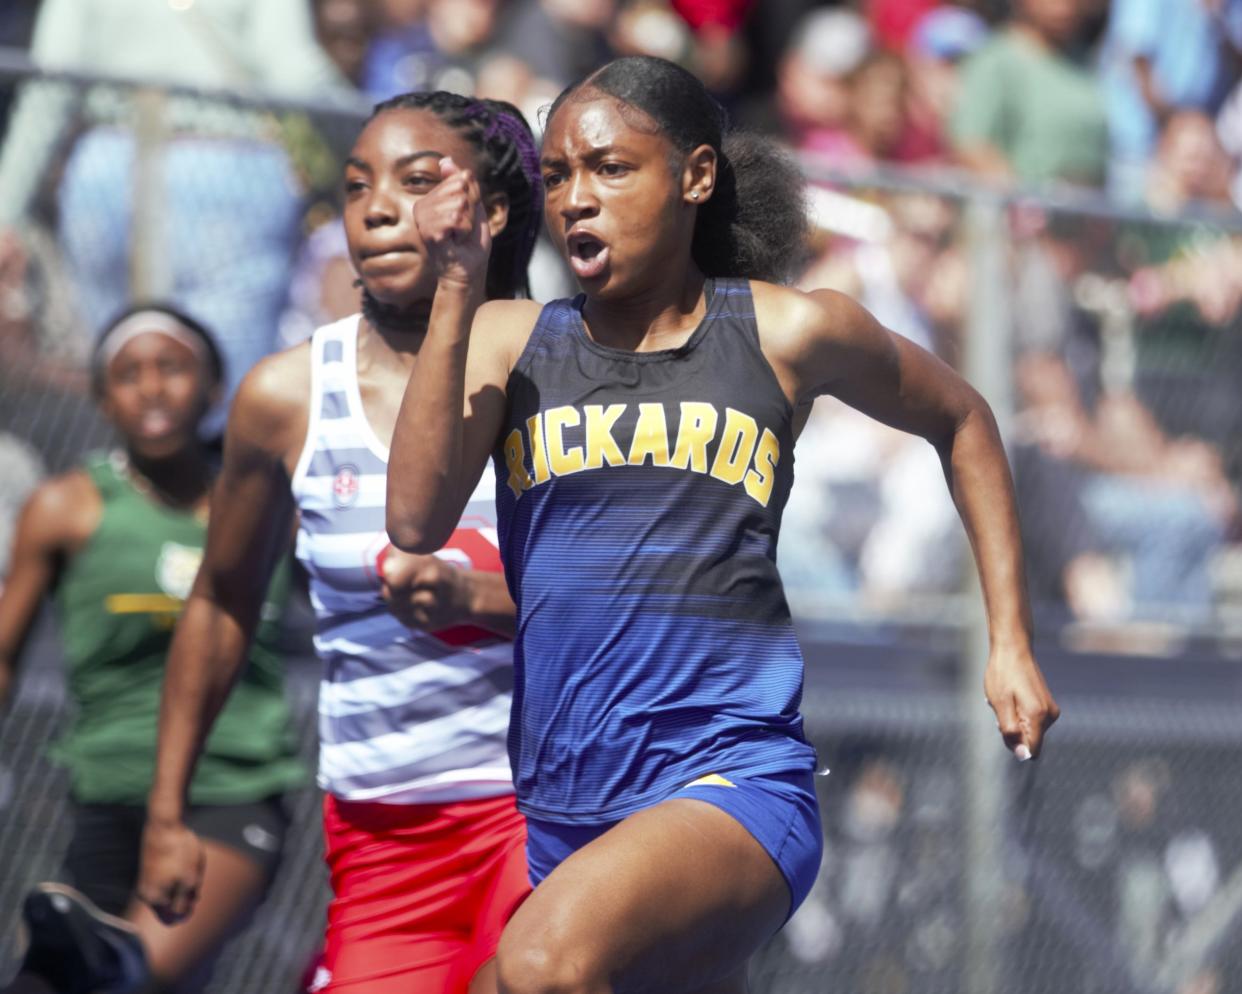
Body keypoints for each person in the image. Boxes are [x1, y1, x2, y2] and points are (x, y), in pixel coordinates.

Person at [385, 55, 1060, 994]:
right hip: (567, 799)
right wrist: (456, 293)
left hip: (731, 783)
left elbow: (965, 421)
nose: (577, 198)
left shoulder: (788, 331)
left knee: (533, 969)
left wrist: (1011, 643)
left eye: (611, 168)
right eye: (557, 177)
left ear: (696, 176)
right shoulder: (513, 337)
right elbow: (414, 519)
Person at [137, 92, 544, 994]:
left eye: (419, 181)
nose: (379, 207)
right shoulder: (284, 397)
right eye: (358, 187)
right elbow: (222, 598)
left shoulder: (562, 370)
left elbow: (635, 597)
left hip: (544, 812)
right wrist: (167, 811)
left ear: (496, 210)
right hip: (380, 835)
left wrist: (479, 597)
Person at [0, 304, 303, 994]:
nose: (153, 388)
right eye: (129, 374)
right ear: (103, 399)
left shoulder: (267, 505)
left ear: (216, 389)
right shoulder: (65, 508)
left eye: (172, 367)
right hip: (107, 793)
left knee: (130, 976)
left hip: (231, 789)